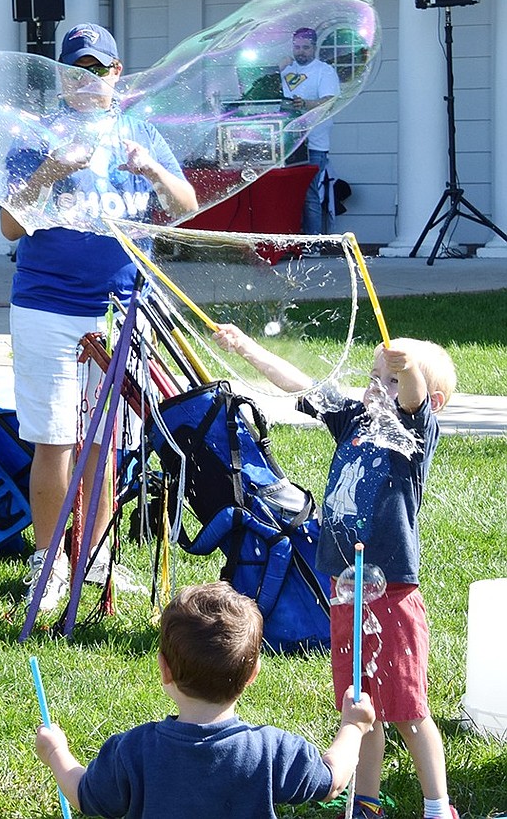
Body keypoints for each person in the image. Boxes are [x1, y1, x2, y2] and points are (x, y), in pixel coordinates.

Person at [212, 325, 459, 819]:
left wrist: (405, 365)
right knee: (360, 705)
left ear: (425, 399)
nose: (377, 388)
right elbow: (300, 384)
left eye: (389, 381)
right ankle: (366, 802)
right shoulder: (353, 422)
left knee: (409, 710)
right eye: (374, 376)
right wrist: (248, 348)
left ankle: (437, 807)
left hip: (392, 593)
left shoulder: (412, 436)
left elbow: (411, 398)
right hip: (347, 587)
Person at [0, 23, 198, 611]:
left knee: (105, 442)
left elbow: (185, 208)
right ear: (62, 78)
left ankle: (97, 560)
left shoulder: (141, 134)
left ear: (117, 74)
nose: (88, 80)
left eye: (99, 69)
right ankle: (49, 560)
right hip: (47, 305)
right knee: (54, 439)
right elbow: (10, 226)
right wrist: (51, 171)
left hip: (123, 306)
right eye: (76, 70)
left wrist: (156, 173)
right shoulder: (38, 137)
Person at [35, 581, 376, 818]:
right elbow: (332, 781)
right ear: (253, 673)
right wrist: (353, 727)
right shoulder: (273, 751)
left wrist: (55, 752)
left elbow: (83, 795)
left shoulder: (133, 751)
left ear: (164, 670)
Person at [280, 26, 340, 235]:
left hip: (314, 141)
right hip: (286, 141)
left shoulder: (324, 71)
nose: (300, 52)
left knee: (308, 192)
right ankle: (289, 237)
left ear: (314, 48)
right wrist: (277, 71)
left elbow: (328, 102)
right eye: (296, 47)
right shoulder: (286, 70)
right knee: (286, 192)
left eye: (305, 47)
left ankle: (312, 241)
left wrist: (304, 103)